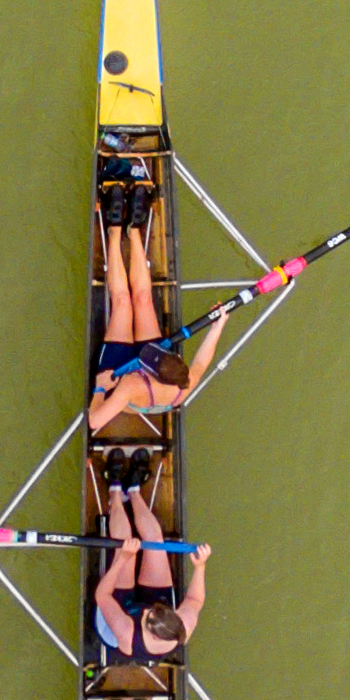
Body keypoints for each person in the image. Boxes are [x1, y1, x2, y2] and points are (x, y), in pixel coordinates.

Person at [89, 176, 227, 430]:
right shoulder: (186, 380)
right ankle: (133, 232)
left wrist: (101, 387)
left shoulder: (130, 384)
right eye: (159, 353)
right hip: (145, 380)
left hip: (118, 380)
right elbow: (202, 361)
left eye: (151, 358)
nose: (151, 352)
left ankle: (114, 231)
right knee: (142, 299)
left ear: (155, 376)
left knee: (122, 303)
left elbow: (94, 420)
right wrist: (218, 326)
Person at [89, 471, 208, 662]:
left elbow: (102, 595)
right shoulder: (184, 624)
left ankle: (115, 497)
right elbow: (194, 600)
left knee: (124, 544)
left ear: (153, 633)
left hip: (117, 617)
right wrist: (200, 566)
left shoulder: (127, 632)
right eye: (154, 609)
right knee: (155, 542)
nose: (146, 610)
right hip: (137, 619)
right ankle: (134, 493)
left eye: (147, 616)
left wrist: (123, 558)